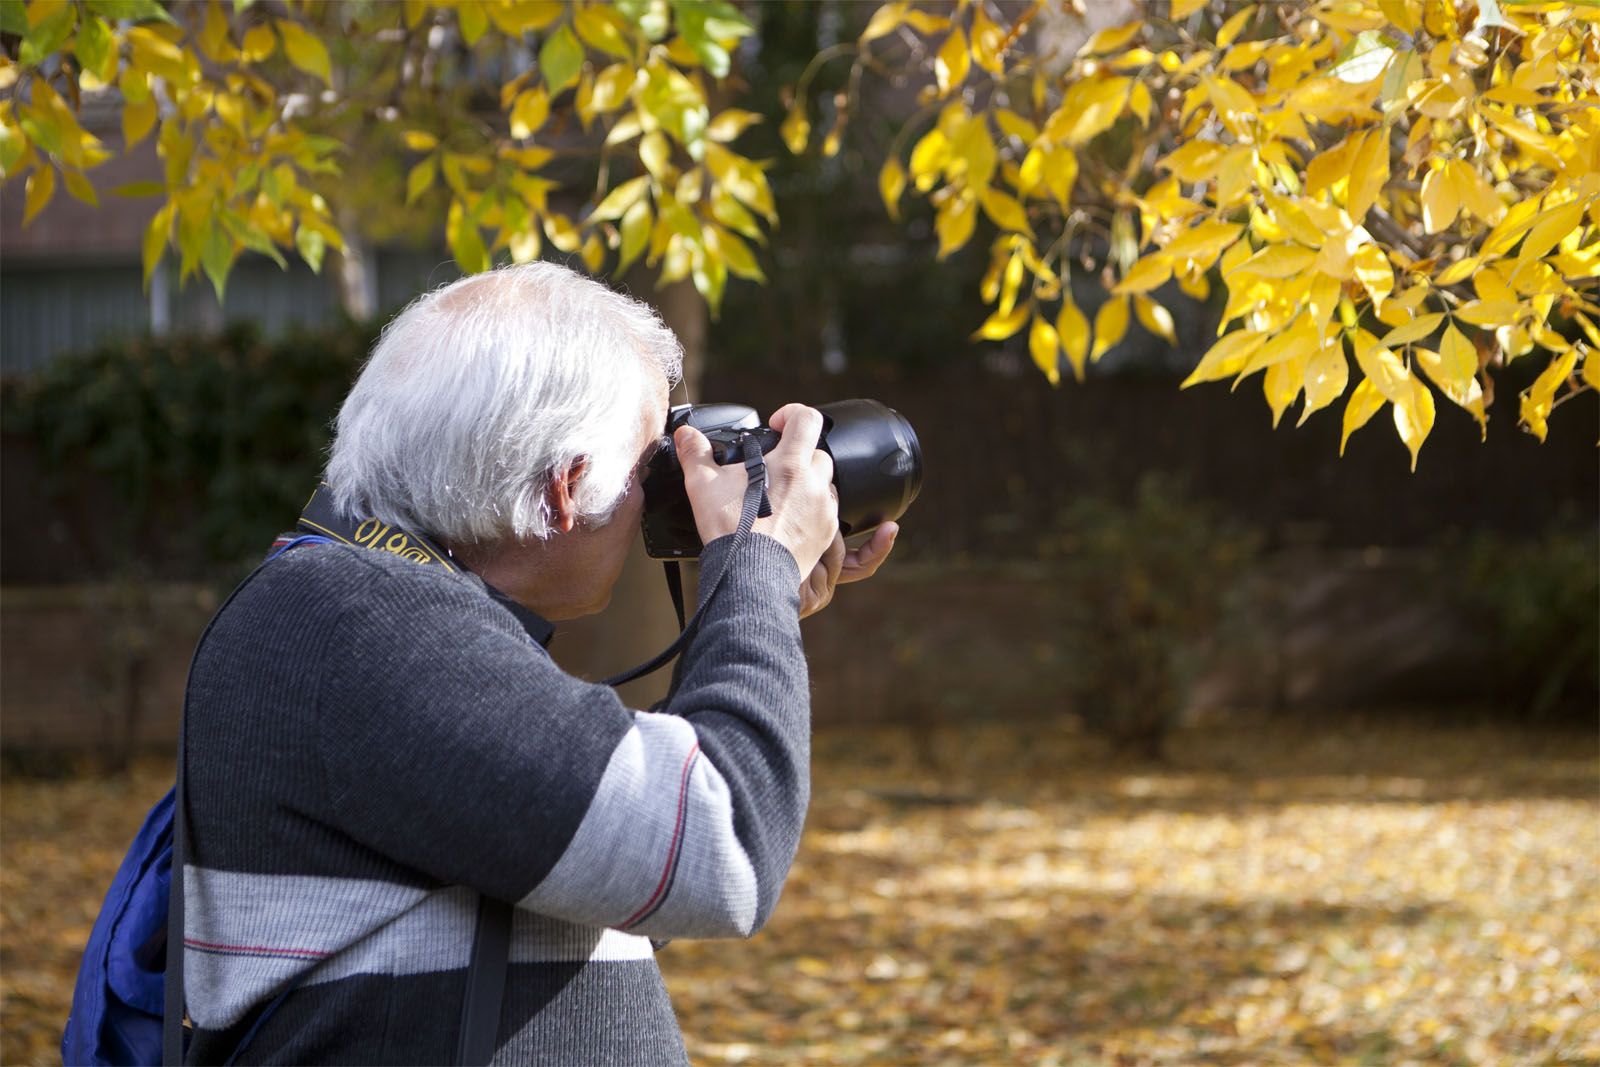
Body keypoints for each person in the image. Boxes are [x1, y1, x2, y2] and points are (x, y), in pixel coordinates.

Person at [178, 262, 898, 1064]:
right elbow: (717, 849)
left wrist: (751, 607)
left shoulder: (362, 612)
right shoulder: (362, 624)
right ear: (565, 488)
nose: (664, 493)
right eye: (650, 460)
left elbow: (619, 876)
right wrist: (752, 567)